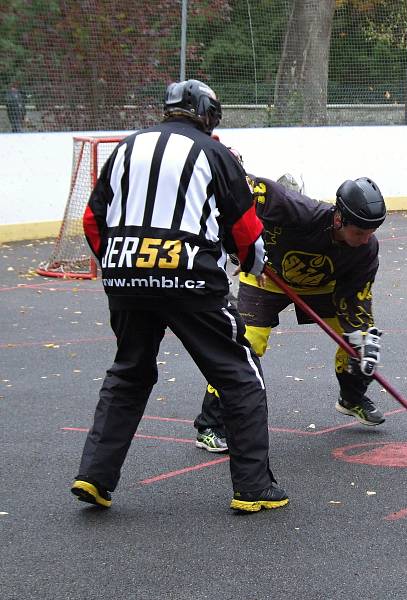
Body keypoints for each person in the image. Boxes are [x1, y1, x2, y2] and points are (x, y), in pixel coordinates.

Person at [72, 79, 287, 513]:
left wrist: (121, 265)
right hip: (189, 276)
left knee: (129, 372)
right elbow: (247, 230)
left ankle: (94, 477)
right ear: (209, 114)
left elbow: (92, 221)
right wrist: (250, 264)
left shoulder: (125, 148)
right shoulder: (215, 152)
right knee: (238, 373)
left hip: (124, 272)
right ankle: (253, 489)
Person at [193, 169, 388, 453]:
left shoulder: (366, 250)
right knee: (246, 345)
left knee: (360, 344)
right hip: (266, 276)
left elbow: (355, 298)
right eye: (358, 232)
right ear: (338, 218)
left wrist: (361, 334)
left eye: (371, 232)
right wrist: (239, 243)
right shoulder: (296, 209)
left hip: (323, 286)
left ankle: (352, 398)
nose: (364, 239)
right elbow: (244, 187)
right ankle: (210, 426)